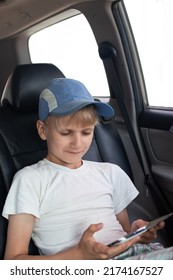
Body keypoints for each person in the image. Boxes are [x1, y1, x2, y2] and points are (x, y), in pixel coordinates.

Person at [2, 78, 172, 260]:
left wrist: (136, 234)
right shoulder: (29, 180)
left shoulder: (110, 172)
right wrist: (79, 254)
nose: (77, 143)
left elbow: (121, 232)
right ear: (43, 130)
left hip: (139, 254)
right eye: (66, 133)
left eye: (86, 132)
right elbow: (13, 265)